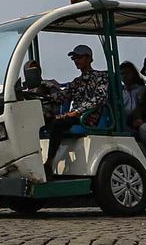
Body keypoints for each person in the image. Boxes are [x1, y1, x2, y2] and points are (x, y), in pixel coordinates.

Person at [43, 44, 110, 175]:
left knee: (58, 123)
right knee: (44, 121)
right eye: (74, 58)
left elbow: (99, 99)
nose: (76, 61)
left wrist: (76, 112)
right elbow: (62, 96)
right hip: (74, 117)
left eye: (79, 57)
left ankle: (49, 163)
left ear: (89, 58)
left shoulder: (101, 77)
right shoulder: (76, 82)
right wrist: (44, 95)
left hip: (88, 117)